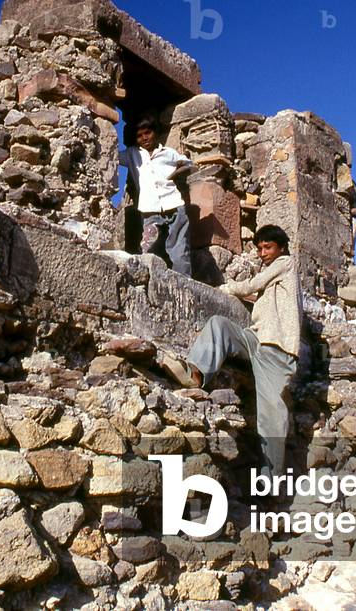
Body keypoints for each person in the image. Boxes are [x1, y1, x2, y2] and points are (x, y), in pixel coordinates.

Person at [161, 224, 301, 475]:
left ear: (281, 248)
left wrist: (227, 288)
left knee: (271, 418)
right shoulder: (275, 277)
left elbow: (251, 285)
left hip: (277, 350)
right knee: (220, 326)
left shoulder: (286, 263)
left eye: (268, 247)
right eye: (259, 248)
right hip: (257, 340)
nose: (262, 253)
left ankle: (271, 482)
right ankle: (196, 373)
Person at [119, 115, 194, 276]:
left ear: (155, 133)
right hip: (149, 209)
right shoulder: (132, 154)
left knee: (179, 249)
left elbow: (188, 164)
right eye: (139, 136)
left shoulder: (168, 153)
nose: (144, 138)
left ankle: (184, 282)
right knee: (149, 247)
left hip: (174, 204)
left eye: (147, 133)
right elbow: (114, 156)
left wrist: (176, 172)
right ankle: (149, 279)